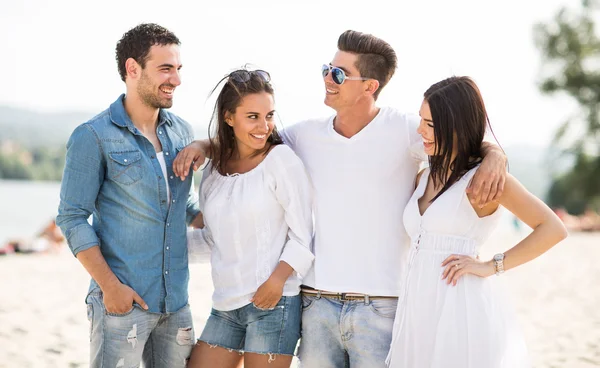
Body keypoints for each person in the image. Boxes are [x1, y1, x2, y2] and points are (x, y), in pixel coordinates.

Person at [173, 30, 508, 367]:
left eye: (338, 74)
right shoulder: (304, 136)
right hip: (316, 304)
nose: (327, 80)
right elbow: (252, 139)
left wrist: (495, 155)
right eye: (326, 70)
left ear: (369, 86)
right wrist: (204, 146)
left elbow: (461, 141)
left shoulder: (406, 131)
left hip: (381, 307)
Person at [386, 76, 568, 368]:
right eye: (421, 120)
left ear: (456, 127)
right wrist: (493, 150)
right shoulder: (424, 176)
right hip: (417, 309)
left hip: (460, 308)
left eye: (430, 124)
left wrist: (491, 266)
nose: (420, 130)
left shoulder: (487, 181)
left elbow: (553, 228)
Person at [56, 23, 203, 368]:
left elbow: (185, 205)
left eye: (178, 69)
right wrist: (110, 287)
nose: (176, 80)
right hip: (123, 304)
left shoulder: (182, 131)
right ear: (132, 69)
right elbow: (72, 217)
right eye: (165, 69)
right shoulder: (93, 135)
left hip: (176, 304)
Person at [186, 68, 314, 368]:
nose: (264, 126)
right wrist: (159, 246)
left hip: (273, 302)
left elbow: (303, 235)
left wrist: (276, 281)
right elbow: (212, 238)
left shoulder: (281, 161)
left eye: (269, 115)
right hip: (226, 305)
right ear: (229, 118)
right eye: (253, 116)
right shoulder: (214, 170)